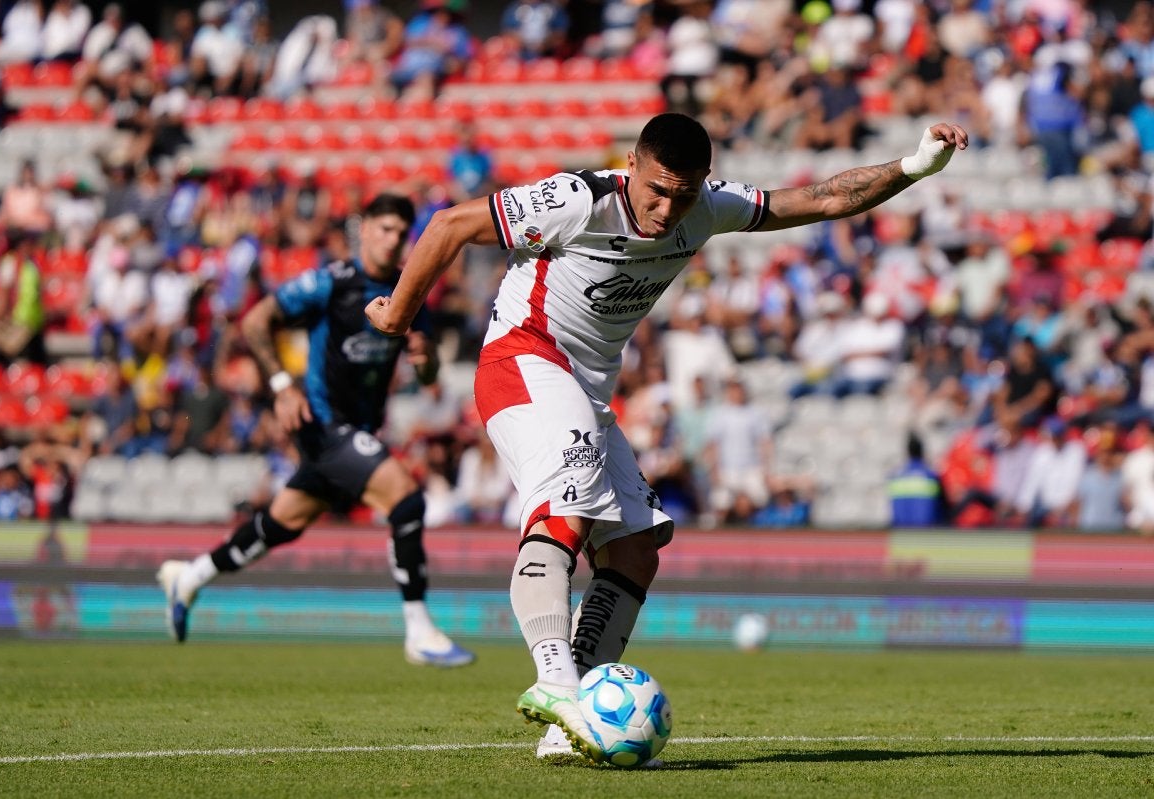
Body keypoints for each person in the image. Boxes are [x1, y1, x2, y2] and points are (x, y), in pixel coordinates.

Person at [365, 112, 967, 761]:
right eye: (655, 189)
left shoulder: (707, 208)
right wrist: (396, 319)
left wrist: (913, 166)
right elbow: (452, 224)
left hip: (587, 390)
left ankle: (570, 725)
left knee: (635, 548)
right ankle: (557, 680)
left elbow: (824, 198)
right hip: (524, 358)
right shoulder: (577, 200)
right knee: (566, 507)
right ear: (631, 164)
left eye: (683, 194)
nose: (665, 208)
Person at [157, 194, 474, 668]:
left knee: (281, 526)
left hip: (358, 429)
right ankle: (418, 630)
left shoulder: (410, 290)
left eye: (399, 233)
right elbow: (256, 319)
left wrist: (427, 368)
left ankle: (191, 575)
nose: (391, 241)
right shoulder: (332, 282)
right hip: (322, 424)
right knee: (405, 497)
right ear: (363, 230)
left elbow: (426, 375)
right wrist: (283, 385)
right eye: (383, 229)